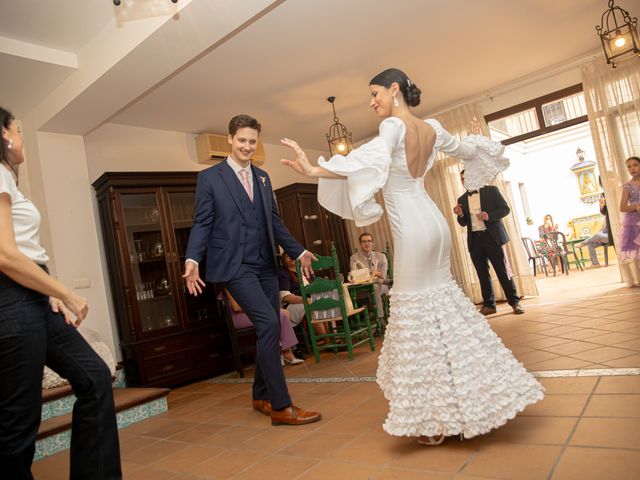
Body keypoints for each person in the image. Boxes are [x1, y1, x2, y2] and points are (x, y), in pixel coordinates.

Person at [280, 68, 543, 445]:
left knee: (418, 320)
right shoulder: (433, 126)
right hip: (435, 223)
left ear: (394, 89)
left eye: (375, 94)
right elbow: (469, 151)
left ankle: (433, 418)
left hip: (412, 231)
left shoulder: (392, 128)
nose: (372, 103)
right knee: (443, 311)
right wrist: (477, 137)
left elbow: (369, 161)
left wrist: (314, 169)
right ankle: (480, 391)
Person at [0, 106, 122, 478]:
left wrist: (45, 288)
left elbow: (22, 252)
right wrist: (66, 292)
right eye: (19, 131)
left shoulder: (7, 177)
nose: (22, 139)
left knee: (95, 376)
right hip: (12, 299)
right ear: (4, 135)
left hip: (31, 293)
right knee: (17, 426)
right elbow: (5, 254)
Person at [182, 114, 320, 426]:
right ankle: (281, 406)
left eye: (252, 141)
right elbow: (202, 222)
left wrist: (299, 250)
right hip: (234, 267)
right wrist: (192, 258)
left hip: (265, 266)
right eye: (241, 140)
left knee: (268, 328)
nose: (247, 146)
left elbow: (274, 221)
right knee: (270, 324)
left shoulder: (263, 177)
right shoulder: (210, 178)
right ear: (230, 139)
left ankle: (259, 394)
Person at [454, 171, 525, 315]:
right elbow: (463, 223)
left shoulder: (491, 191)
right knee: (482, 274)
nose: (464, 181)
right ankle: (489, 305)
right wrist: (460, 215)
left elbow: (505, 209)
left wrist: (489, 216)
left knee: (503, 272)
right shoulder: (461, 199)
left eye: (467, 178)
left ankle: (515, 302)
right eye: (462, 179)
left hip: (492, 237)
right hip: (475, 240)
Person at [224, 289, 304, 366]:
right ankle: (279, 354)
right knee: (274, 316)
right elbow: (236, 307)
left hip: (251, 312)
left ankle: (286, 353)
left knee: (283, 314)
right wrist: (259, 308)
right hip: (239, 317)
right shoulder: (229, 285)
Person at [278, 252, 327, 339]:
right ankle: (327, 339)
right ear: (283, 260)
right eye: (287, 256)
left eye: (292, 255)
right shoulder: (283, 273)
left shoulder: (304, 269)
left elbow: (315, 285)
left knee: (326, 301)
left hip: (310, 300)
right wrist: (306, 300)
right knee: (312, 307)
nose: (290, 258)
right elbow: (286, 298)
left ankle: (331, 335)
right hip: (292, 305)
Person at [349, 232, 389, 323]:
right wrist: (372, 272)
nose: (367, 244)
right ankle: (373, 319)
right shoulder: (354, 258)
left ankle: (380, 320)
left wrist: (365, 273)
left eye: (369, 241)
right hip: (363, 287)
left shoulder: (382, 257)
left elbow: (383, 275)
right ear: (360, 244)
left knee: (375, 288)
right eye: (364, 241)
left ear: (372, 243)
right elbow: (355, 275)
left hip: (380, 285)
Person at [618, 156, 640, 264]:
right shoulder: (628, 186)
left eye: (635, 165)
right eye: (629, 167)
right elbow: (622, 207)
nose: (633, 168)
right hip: (635, 223)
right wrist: (637, 207)